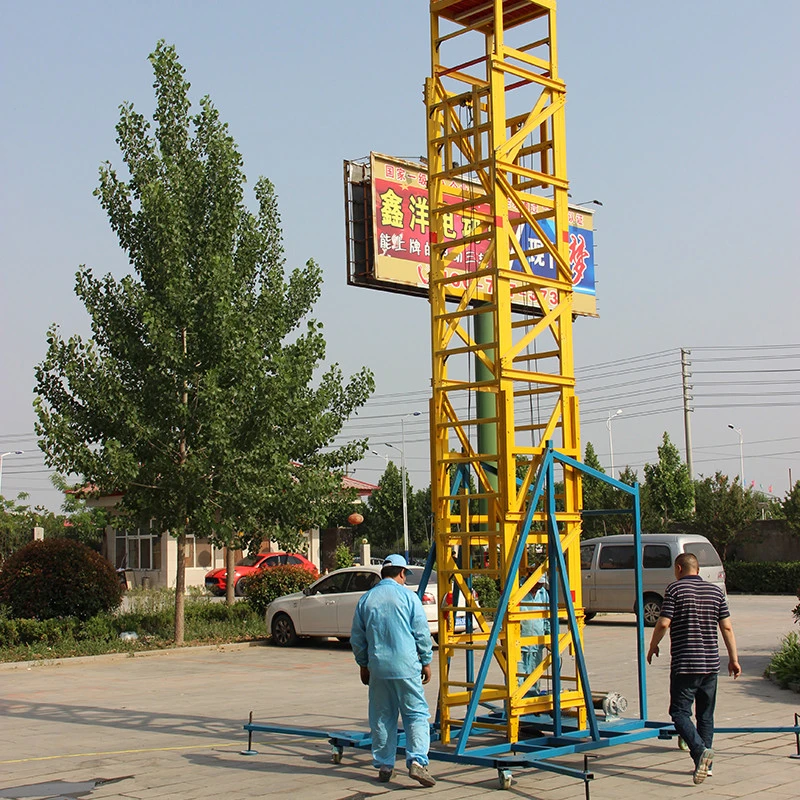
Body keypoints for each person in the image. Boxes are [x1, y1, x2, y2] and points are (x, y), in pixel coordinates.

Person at [647, 552, 741, 785]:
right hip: (711, 665)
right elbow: (727, 628)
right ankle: (707, 767)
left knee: (679, 713)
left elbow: (664, 622)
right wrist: (734, 659)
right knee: (705, 715)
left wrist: (653, 645)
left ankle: (700, 753)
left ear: (679, 568)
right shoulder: (716, 592)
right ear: (697, 570)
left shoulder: (675, 590)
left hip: (686, 664)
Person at [350, 554, 436, 787]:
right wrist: (426, 661)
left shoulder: (367, 599)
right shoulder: (409, 598)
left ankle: (385, 765)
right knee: (416, 714)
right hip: (406, 666)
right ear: (401, 573)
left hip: (378, 667)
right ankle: (417, 761)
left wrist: (363, 664)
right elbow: (421, 633)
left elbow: (357, 638)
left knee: (382, 716)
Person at [519, 573, 550, 695]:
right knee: (517, 682)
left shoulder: (543, 594)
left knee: (534, 681)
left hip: (537, 646)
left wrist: (549, 636)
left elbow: (546, 618)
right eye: (537, 584)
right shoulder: (517, 591)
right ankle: (516, 704)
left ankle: (532, 704)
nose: (538, 587)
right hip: (518, 646)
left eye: (541, 584)